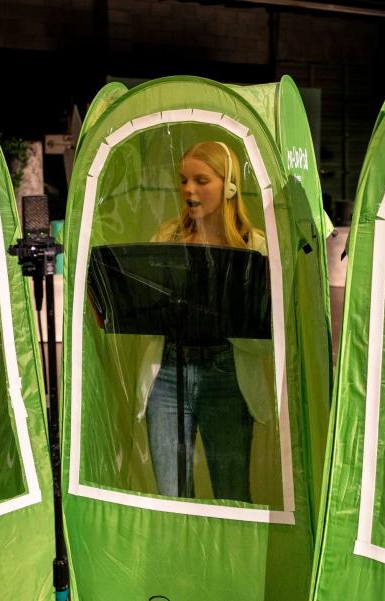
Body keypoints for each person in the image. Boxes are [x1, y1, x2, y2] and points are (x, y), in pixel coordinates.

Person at [137, 140, 273, 502]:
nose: (188, 190)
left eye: (200, 180)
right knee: (172, 497)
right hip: (167, 376)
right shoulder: (167, 238)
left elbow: (267, 335)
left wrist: (223, 312)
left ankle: (231, 560)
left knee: (232, 495)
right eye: (183, 180)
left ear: (229, 186)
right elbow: (147, 309)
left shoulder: (254, 247)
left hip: (226, 376)